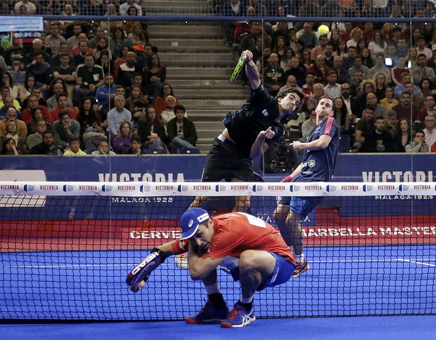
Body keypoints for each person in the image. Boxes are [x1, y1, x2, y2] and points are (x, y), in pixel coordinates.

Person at [128, 208, 295, 328]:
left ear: (209, 223)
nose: (198, 241)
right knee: (206, 250)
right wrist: (144, 275)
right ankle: (217, 305)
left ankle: (246, 308)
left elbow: (196, 272)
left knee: (243, 258)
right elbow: (163, 250)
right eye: (192, 237)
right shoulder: (208, 228)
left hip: (281, 264)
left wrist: (190, 245)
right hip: (259, 257)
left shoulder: (228, 233)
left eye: (199, 235)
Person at [189, 50, 304, 212]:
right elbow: (254, 78)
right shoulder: (264, 99)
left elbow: (253, 155)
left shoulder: (277, 130)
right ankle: (185, 235)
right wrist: (248, 61)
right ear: (280, 98)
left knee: (244, 203)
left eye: (296, 103)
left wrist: (261, 138)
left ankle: (234, 235)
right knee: (203, 197)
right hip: (222, 150)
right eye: (291, 98)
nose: (293, 103)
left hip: (242, 158)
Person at [273, 96, 339, 277]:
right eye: (322, 104)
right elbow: (306, 162)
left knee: (291, 220)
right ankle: (288, 253)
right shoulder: (313, 131)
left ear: (331, 112)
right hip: (300, 180)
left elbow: (323, 143)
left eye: (328, 105)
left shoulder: (330, 123)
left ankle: (300, 260)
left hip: (315, 181)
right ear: (315, 109)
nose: (324, 107)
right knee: (279, 215)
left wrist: (301, 145)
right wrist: (289, 178)